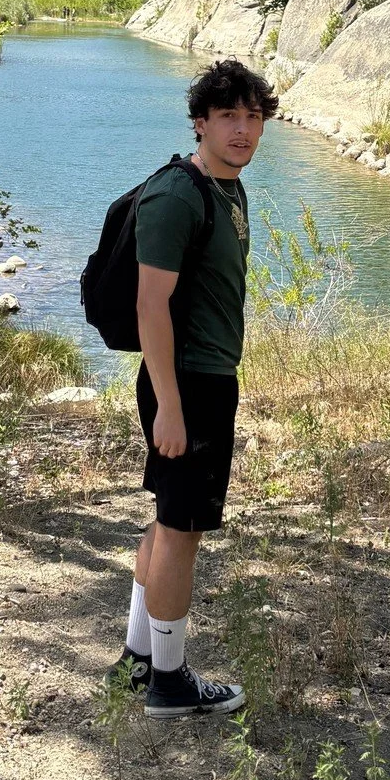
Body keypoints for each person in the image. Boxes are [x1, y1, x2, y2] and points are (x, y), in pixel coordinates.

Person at [105, 58, 278, 718]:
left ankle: (139, 660)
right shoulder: (181, 194)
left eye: (253, 116)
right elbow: (153, 306)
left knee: (167, 520)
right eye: (228, 116)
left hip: (202, 382)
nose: (242, 129)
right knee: (182, 530)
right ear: (200, 122)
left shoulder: (228, 189)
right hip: (187, 386)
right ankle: (170, 684)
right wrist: (171, 406)